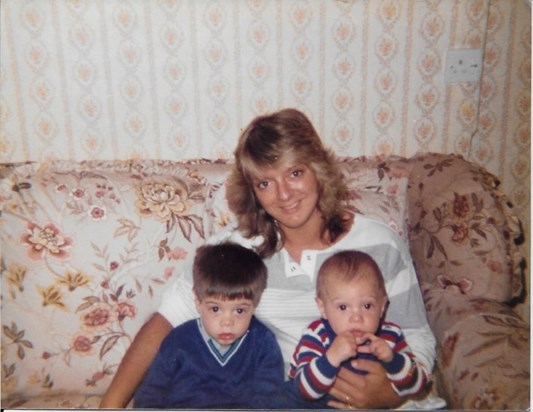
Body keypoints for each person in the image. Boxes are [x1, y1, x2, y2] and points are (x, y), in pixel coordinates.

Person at [100, 108, 438, 409]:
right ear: (254, 194)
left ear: (318, 170)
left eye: (294, 173)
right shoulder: (237, 252)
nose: (284, 194)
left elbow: (418, 337)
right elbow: (165, 322)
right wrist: (110, 407)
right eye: (265, 182)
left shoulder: (380, 244)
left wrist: (392, 393)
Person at [133, 242, 284, 409]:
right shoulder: (179, 339)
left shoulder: (263, 342)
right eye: (215, 309)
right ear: (198, 302)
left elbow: (269, 398)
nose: (227, 322)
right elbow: (151, 392)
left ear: (255, 304)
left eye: (239, 310)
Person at [285, 250, 429, 408]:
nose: (356, 317)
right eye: (343, 307)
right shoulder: (317, 334)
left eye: (367, 306)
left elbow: (419, 382)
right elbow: (304, 390)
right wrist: (331, 358)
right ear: (323, 308)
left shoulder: (391, 336)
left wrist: (393, 360)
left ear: (382, 306)